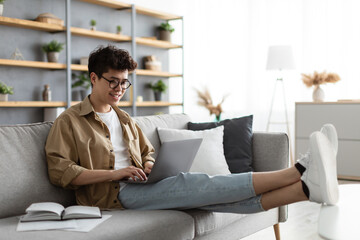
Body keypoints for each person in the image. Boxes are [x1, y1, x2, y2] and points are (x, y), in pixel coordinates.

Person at [45, 45, 339, 213]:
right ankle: (299, 170)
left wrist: (149, 165)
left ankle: (307, 189)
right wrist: (116, 173)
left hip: (140, 185)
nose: (120, 89)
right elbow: (61, 172)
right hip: (113, 195)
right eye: (113, 81)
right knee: (192, 182)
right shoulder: (69, 121)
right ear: (93, 78)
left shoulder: (125, 119)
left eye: (124, 82)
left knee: (220, 200)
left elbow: (147, 152)